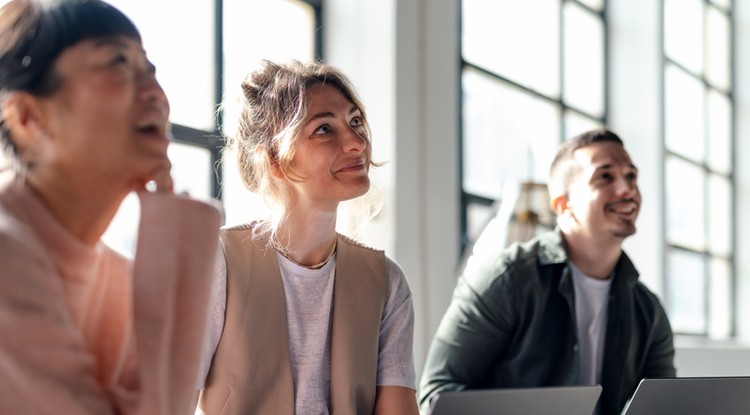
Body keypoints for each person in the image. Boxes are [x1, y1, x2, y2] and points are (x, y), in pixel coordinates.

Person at [0, 0, 221, 413]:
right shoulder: (6, 258)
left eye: (150, 69)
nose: (156, 93)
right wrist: (177, 242)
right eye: (117, 61)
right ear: (28, 117)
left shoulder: (118, 279)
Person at [196, 60, 419, 415]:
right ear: (274, 159)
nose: (356, 143)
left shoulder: (387, 283)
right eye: (324, 130)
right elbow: (165, 400)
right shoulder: (216, 263)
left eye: (355, 121)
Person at [418, 129, 675, 415]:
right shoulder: (505, 281)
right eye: (605, 176)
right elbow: (436, 395)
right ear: (564, 205)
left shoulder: (648, 309)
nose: (627, 189)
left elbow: (667, 407)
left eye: (631, 176)